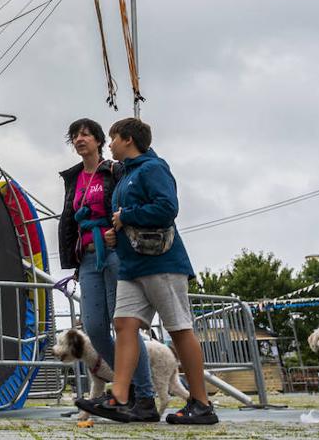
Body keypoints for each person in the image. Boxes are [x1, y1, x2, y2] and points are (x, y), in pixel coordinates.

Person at [77, 118, 218, 426]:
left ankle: (201, 403)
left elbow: (167, 208)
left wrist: (127, 215)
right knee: (124, 324)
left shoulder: (153, 169)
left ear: (128, 139)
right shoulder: (126, 174)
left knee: (179, 328)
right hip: (131, 264)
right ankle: (123, 398)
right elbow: (123, 220)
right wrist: (116, 231)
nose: (110, 144)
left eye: (113, 138)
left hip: (161, 262)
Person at [59, 118, 160, 421]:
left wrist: (120, 230)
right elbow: (70, 220)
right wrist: (73, 259)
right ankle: (124, 391)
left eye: (86, 134)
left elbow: (127, 203)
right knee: (95, 328)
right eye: (75, 135)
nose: (80, 139)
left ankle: (143, 395)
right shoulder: (74, 178)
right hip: (87, 257)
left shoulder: (114, 170)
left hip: (115, 253)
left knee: (123, 327)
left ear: (100, 140)